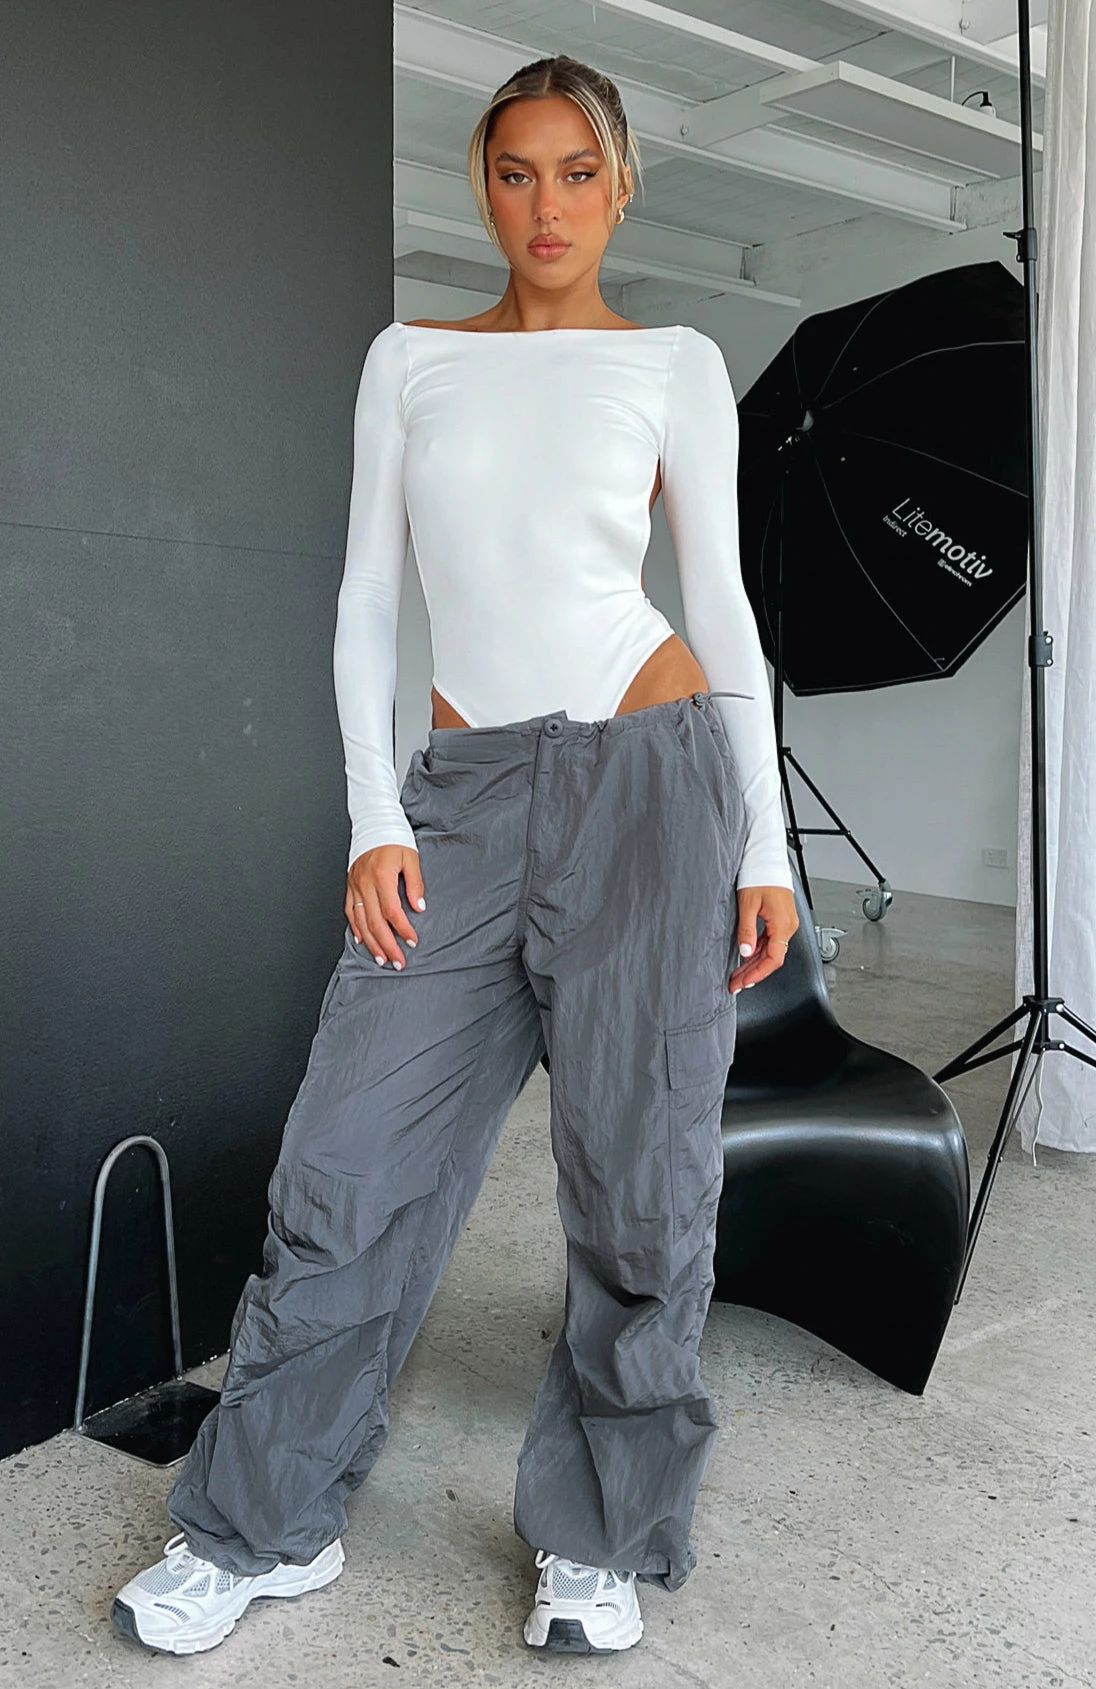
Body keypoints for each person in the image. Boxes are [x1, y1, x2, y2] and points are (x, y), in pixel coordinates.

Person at [111, 52, 797, 1660]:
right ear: (482, 186)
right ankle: (259, 1525)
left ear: (621, 185)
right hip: (464, 801)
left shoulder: (676, 363)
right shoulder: (411, 359)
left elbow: (722, 607)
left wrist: (764, 843)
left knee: (642, 1189)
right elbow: (366, 599)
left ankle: (598, 1537)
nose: (546, 205)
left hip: (654, 784)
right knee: (345, 1167)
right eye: (514, 171)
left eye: (577, 172)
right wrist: (373, 814)